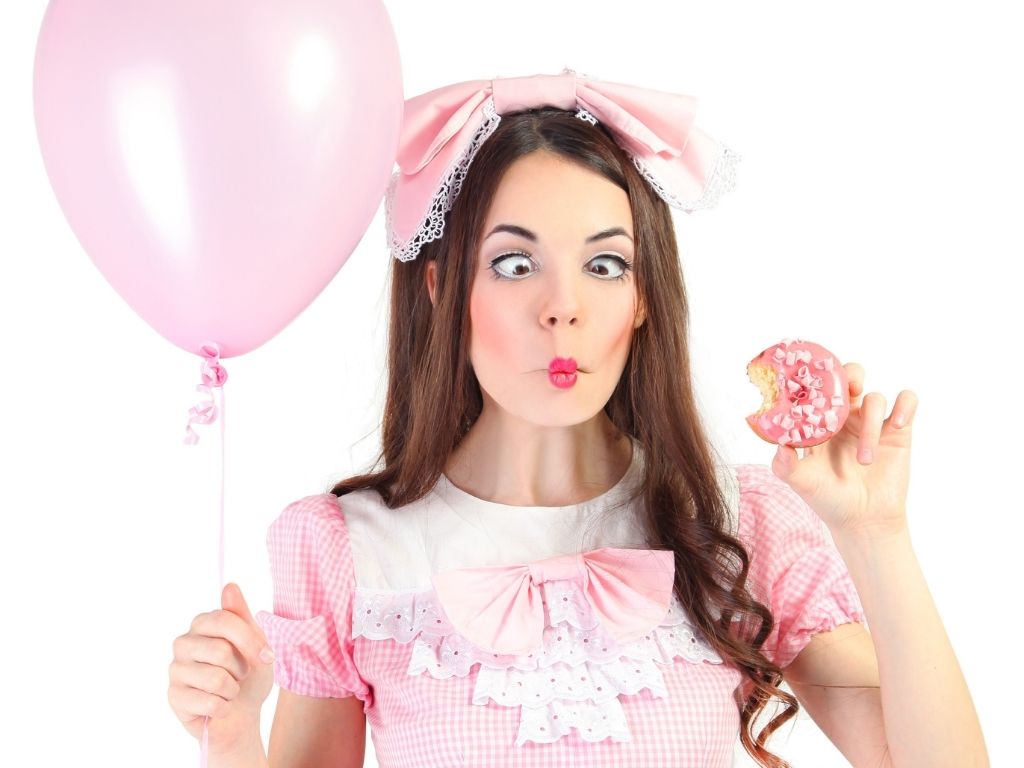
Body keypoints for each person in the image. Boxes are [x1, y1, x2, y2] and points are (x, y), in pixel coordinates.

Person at [167, 69, 988, 768]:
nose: (563, 309)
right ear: (441, 290)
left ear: (640, 302)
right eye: (515, 263)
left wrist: (877, 534)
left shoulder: (739, 526)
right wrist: (235, 736)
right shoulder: (349, 550)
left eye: (604, 264)